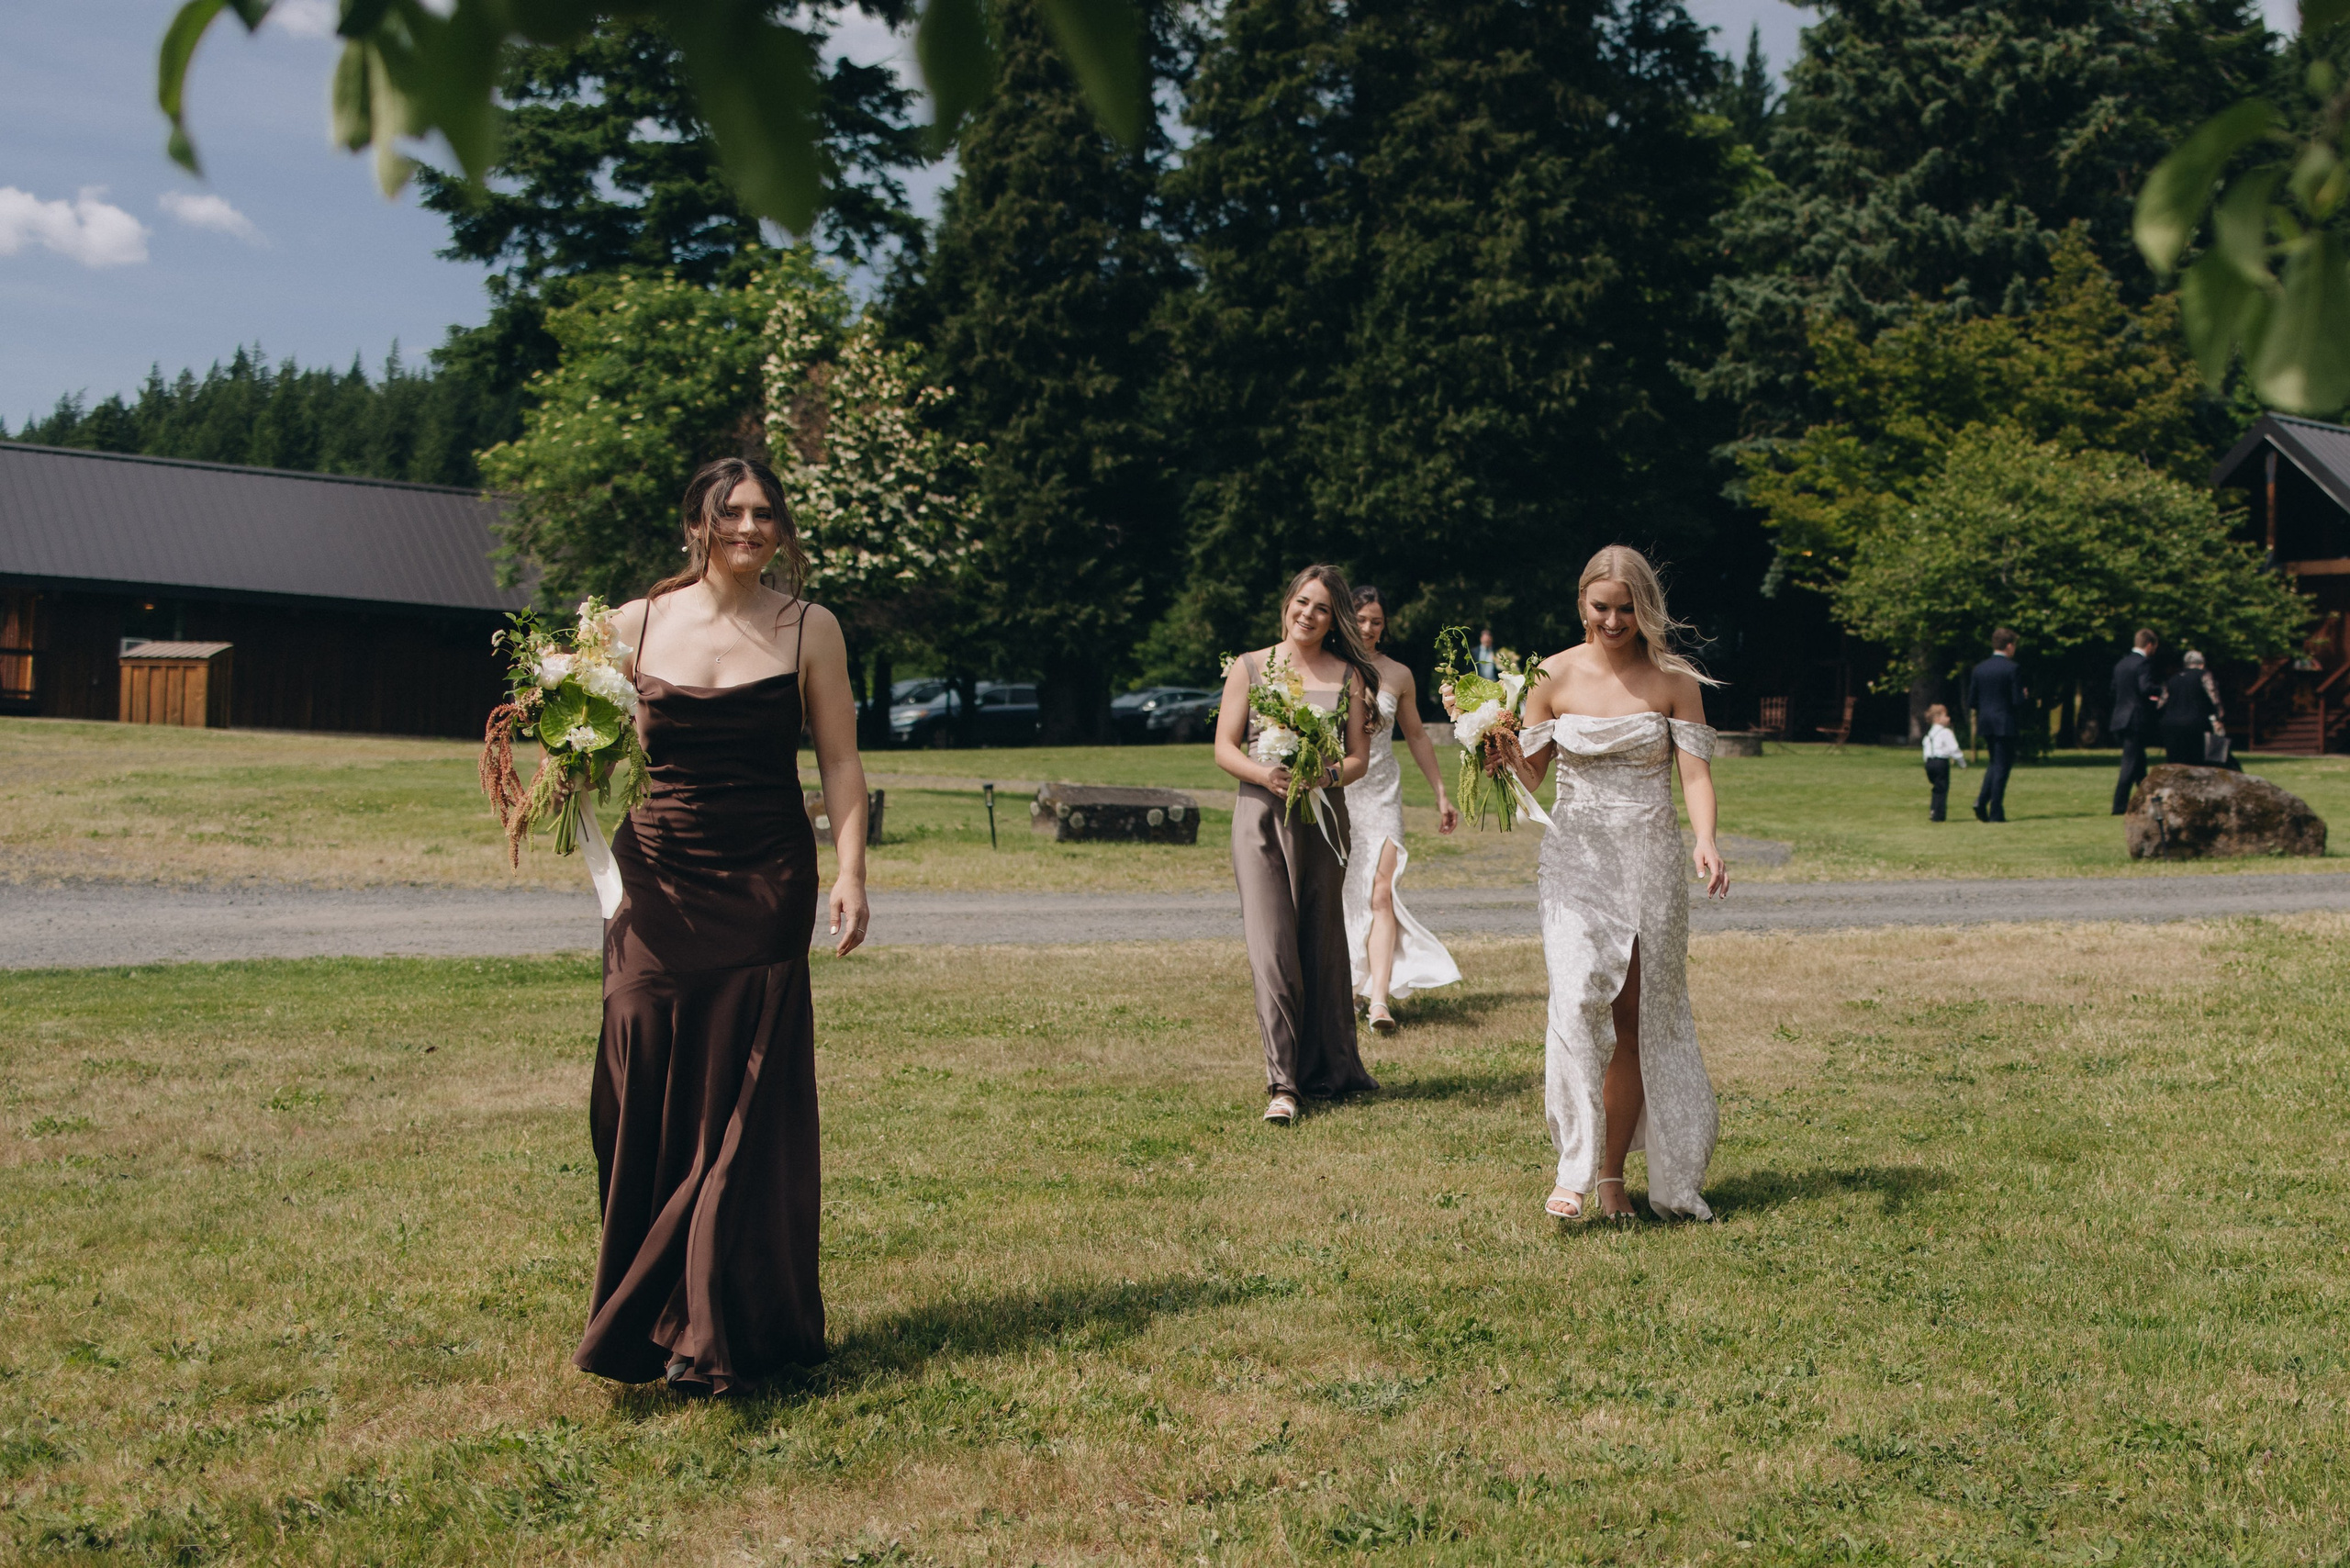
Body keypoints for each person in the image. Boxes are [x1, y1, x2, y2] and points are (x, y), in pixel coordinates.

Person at [575, 456, 870, 1394]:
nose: (750, 528)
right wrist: (557, 756)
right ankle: (647, 1309)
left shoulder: (808, 627)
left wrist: (852, 871)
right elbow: (590, 751)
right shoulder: (629, 625)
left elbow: (839, 762)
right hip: (655, 877)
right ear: (697, 523)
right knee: (638, 1066)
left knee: (745, 1106)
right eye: (731, 512)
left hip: (764, 880)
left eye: (765, 515)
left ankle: (718, 1327)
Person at [1502, 545, 1727, 1224]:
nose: (1613, 620)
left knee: (1634, 1020)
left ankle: (1610, 1178)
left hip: (1648, 860)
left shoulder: (1673, 680)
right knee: (1576, 1001)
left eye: (1627, 608)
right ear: (1582, 603)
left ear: (1645, 608)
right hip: (1575, 860)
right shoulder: (1550, 675)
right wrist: (1497, 750)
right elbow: (1531, 775)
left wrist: (1706, 839)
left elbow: (1694, 774)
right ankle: (1571, 1168)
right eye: (1601, 607)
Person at [1214, 565, 1382, 1125]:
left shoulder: (1349, 676)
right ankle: (1283, 1085)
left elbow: (1358, 759)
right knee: (1272, 948)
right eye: (1302, 603)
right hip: (1260, 819)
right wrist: (1265, 775)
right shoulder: (1249, 667)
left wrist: (1324, 776)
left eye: (1322, 609)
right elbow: (1224, 747)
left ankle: (1328, 1068)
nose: (1308, 615)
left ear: (1335, 620)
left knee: (1320, 942)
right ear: (1287, 604)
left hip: (1322, 821)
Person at [1343, 587, 1461, 1033]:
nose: (1368, 628)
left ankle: (1379, 1001)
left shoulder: (1399, 674)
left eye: (1376, 621)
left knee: (1381, 892)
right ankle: (1346, 987)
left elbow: (1416, 736)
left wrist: (1441, 793)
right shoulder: (1329, 667)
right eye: (1360, 619)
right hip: (1338, 792)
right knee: (1344, 893)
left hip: (1381, 795)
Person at [1967, 629, 2024, 823]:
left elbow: (1972, 700)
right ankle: (1995, 810)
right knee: (2002, 766)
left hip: (1986, 720)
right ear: (2009, 646)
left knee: (1995, 763)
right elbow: (2017, 701)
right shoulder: (2012, 668)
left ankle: (1982, 800)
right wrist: (2023, 695)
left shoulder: (1979, 669)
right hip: (2004, 721)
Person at [2110, 629, 2162, 813]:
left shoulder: (2121, 664)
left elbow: (2114, 689)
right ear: (2149, 645)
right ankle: (2119, 805)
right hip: (2135, 719)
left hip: (2120, 717)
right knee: (2130, 762)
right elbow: (2145, 687)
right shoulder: (2143, 663)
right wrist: (2161, 690)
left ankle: (2150, 801)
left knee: (2139, 764)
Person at [2159, 650, 2226, 765]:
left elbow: (2161, 704)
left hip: (2171, 725)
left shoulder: (2173, 678)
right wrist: (2220, 717)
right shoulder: (2204, 675)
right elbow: (2214, 698)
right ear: (2202, 664)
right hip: (2196, 724)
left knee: (2175, 762)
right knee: (2197, 762)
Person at [1921, 702, 1966, 822]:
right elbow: (1954, 749)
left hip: (1929, 762)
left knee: (1936, 787)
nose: (1948, 718)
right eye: (1945, 716)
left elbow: (1926, 747)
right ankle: (1938, 814)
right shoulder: (1945, 732)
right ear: (1937, 719)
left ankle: (1933, 810)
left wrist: (1927, 762)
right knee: (1942, 787)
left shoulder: (1929, 734)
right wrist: (1962, 762)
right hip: (1940, 762)